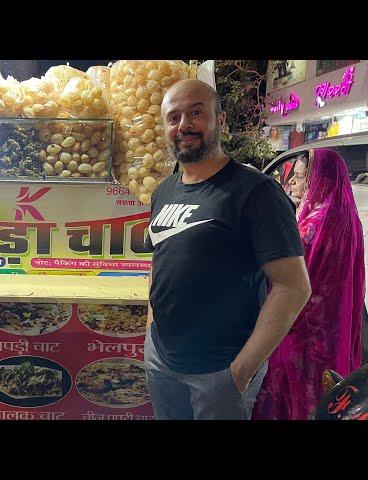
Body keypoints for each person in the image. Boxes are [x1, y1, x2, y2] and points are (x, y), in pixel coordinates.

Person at [143, 79, 312, 420]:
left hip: (219, 371)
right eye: (173, 117)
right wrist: (150, 333)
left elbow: (293, 286)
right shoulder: (164, 191)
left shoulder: (255, 192)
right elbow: (158, 263)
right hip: (162, 361)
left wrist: (241, 371)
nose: (184, 125)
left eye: (196, 113)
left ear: (220, 120)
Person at [253, 149, 365, 420]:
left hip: (304, 330)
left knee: (295, 395)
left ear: (319, 180)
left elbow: (285, 277)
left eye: (301, 177)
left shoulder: (313, 223)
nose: (293, 183)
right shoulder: (347, 216)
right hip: (333, 326)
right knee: (325, 389)